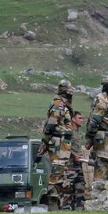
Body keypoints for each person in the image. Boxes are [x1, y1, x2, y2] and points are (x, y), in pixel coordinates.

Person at [41, 79, 74, 210]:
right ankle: (53, 205)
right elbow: (51, 125)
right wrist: (45, 141)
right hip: (58, 143)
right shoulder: (58, 103)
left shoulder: (64, 104)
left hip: (63, 143)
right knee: (56, 175)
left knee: (60, 175)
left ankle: (57, 204)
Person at [62, 111, 86, 210]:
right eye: (80, 118)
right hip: (70, 166)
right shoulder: (68, 131)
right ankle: (66, 210)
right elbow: (64, 145)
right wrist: (74, 155)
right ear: (73, 119)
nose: (82, 120)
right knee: (68, 190)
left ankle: (79, 209)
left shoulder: (78, 132)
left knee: (80, 188)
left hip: (78, 165)